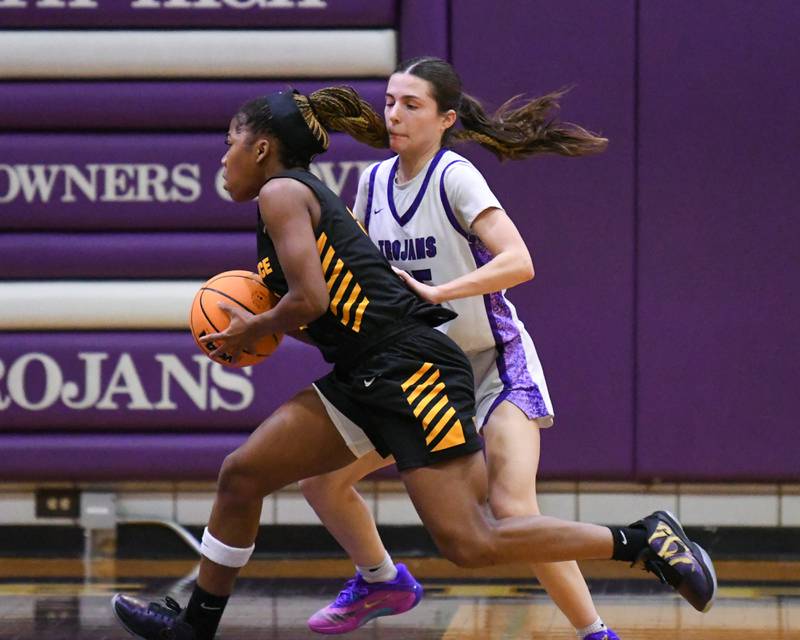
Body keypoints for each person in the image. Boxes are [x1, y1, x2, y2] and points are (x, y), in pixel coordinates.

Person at [111, 86, 717, 640]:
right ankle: (196, 623)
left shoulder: (281, 192)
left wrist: (258, 325)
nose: (223, 159)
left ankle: (644, 541)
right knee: (242, 475)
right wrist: (267, 328)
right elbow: (328, 308)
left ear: (262, 146)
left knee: (472, 542)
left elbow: (312, 299)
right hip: (364, 371)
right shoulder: (299, 197)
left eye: (229, 144)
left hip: (409, 368)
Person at [298, 57, 619, 640]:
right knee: (320, 481)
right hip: (419, 378)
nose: (394, 113)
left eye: (411, 104)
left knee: (514, 507)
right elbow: (352, 275)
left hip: (492, 368)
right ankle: (381, 579)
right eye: (391, 100)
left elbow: (519, 261)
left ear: (445, 119)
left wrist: (441, 291)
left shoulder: (454, 175)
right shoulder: (370, 184)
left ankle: (595, 633)